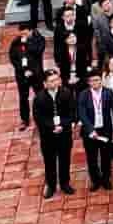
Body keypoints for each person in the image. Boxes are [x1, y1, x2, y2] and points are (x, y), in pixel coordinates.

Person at [33, 67, 76, 197]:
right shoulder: (39, 98)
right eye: (51, 81)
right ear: (45, 83)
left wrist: (63, 125)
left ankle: (65, 183)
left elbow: (72, 112)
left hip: (64, 134)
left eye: (56, 80)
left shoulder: (66, 93)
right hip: (48, 136)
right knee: (49, 161)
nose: (54, 83)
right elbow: (39, 118)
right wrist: (52, 126)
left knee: (65, 159)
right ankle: (51, 185)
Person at [77, 72, 113, 190]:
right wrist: (90, 129)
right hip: (90, 131)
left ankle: (106, 179)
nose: (95, 82)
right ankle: (95, 180)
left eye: (98, 80)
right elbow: (82, 113)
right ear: (89, 82)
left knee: (106, 156)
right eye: (93, 80)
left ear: (101, 80)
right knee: (92, 157)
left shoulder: (108, 92)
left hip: (105, 130)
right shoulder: (83, 95)